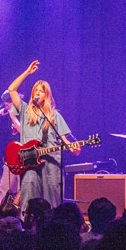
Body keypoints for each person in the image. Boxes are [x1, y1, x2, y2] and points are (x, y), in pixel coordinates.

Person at [7, 60, 81, 209]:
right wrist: (27, 72)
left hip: (51, 161)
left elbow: (64, 139)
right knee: (28, 201)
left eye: (41, 90)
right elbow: (11, 90)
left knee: (53, 202)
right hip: (28, 162)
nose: (38, 93)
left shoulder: (54, 116)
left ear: (46, 95)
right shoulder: (24, 111)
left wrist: (73, 147)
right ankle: (27, 227)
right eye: (36, 90)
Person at [0, 89, 22, 207]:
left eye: (8, 104)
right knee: (5, 188)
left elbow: (22, 131)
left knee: (23, 189)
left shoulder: (24, 113)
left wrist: (13, 117)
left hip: (25, 156)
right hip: (11, 158)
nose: (7, 107)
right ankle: (2, 214)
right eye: (5, 105)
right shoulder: (9, 112)